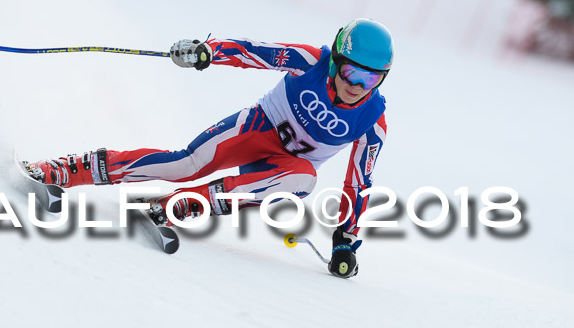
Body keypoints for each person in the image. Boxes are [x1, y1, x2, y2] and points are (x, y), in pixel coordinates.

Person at [27, 18, 394, 279]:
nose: (357, 86)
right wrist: (207, 52)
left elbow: (358, 184)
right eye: (350, 73)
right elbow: (254, 52)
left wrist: (346, 240)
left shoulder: (372, 121)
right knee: (185, 165)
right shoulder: (311, 61)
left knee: (304, 180)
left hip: (285, 167)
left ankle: (177, 206)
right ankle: (70, 168)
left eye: (371, 78)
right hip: (257, 127)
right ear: (337, 62)